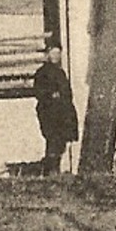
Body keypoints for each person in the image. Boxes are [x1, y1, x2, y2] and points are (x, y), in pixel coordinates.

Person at [32, 41, 78, 175]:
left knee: (60, 143)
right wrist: (52, 95)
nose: (56, 56)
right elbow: (39, 92)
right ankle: (50, 171)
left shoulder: (60, 72)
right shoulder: (42, 73)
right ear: (47, 54)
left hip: (63, 113)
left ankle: (55, 169)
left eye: (58, 53)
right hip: (49, 113)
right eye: (53, 53)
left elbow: (67, 93)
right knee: (53, 141)